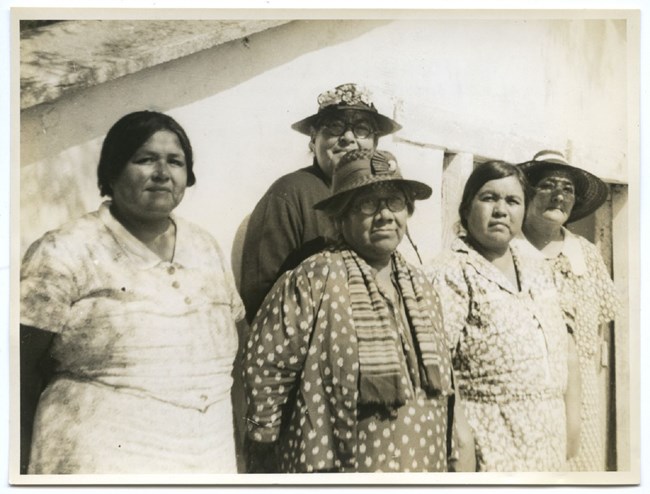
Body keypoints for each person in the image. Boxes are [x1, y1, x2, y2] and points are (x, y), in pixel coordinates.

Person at [20, 111, 244, 474]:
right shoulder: (66, 249)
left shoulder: (204, 246)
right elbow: (17, 371)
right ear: (111, 172)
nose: (162, 173)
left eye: (175, 162)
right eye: (144, 159)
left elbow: (238, 347)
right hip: (103, 460)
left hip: (206, 456)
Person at [243, 149, 469, 473]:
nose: (385, 215)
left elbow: (443, 378)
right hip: (341, 462)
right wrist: (263, 449)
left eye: (395, 202)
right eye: (367, 204)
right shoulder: (313, 278)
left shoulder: (421, 285)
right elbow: (266, 366)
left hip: (422, 459)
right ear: (340, 216)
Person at [429, 160, 581, 471]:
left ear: (524, 210)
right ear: (466, 207)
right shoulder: (450, 272)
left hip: (548, 439)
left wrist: (572, 421)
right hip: (489, 440)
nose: (501, 210)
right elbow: (437, 369)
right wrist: (461, 443)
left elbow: (566, 346)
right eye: (488, 198)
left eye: (512, 201)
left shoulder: (536, 267)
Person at [239, 83, 401, 323]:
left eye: (362, 129)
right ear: (314, 139)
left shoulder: (381, 199)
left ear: (375, 144)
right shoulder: (290, 192)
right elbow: (262, 296)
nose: (348, 137)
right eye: (335, 126)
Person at [518, 150, 620, 471]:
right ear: (527, 192)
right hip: (525, 390)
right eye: (548, 185)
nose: (559, 195)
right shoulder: (508, 251)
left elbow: (601, 326)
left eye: (568, 189)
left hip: (583, 396)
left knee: (580, 472)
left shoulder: (586, 255)